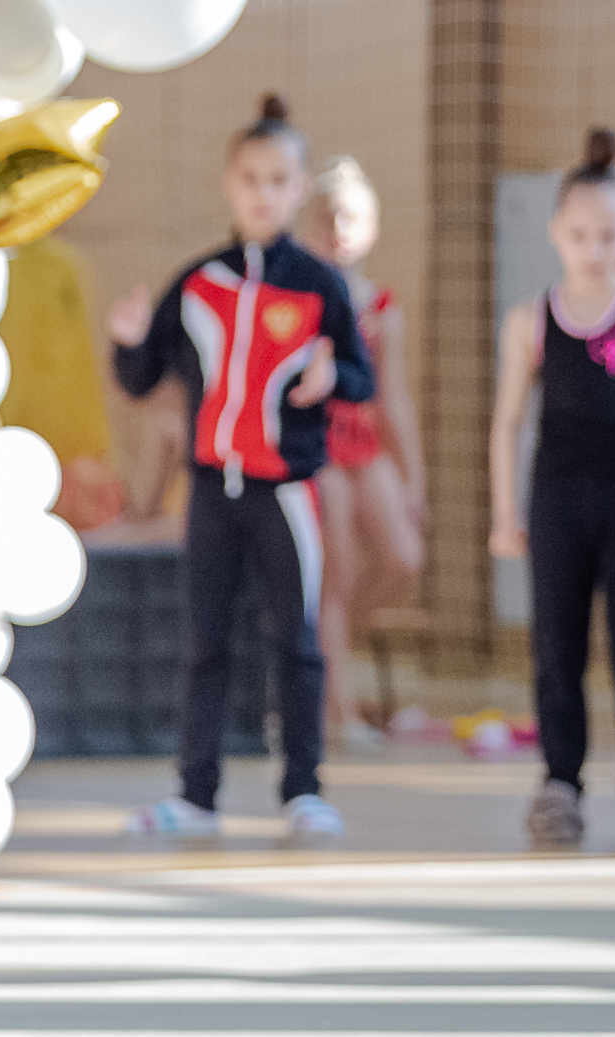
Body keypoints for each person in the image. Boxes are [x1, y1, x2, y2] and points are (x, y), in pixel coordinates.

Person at [109, 94, 375, 839]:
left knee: (296, 639)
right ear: (230, 183)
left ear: (298, 189)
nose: (263, 192)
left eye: (279, 179)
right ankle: (196, 795)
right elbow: (140, 379)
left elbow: (361, 377)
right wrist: (127, 342)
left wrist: (333, 381)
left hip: (284, 493)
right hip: (210, 493)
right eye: (250, 178)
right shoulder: (197, 283)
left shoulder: (322, 288)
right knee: (205, 645)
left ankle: (303, 788)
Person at [489, 128, 615, 846]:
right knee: (557, 649)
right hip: (556, 501)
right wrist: (507, 512)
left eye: (607, 234)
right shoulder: (530, 320)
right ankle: (559, 780)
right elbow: (509, 420)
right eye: (580, 233)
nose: (594, 248)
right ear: (555, 233)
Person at [300, 157, 426, 746]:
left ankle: (327, 652)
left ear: (371, 229)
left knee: (402, 557)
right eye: (327, 217)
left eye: (351, 218)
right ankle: (339, 714)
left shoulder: (381, 309)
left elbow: (392, 399)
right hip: (318, 448)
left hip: (365, 446)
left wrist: (413, 478)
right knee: (337, 576)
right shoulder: (302, 300)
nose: (338, 228)